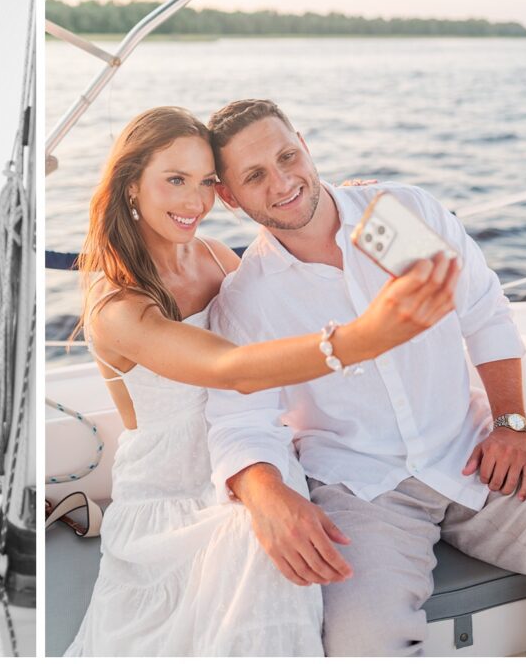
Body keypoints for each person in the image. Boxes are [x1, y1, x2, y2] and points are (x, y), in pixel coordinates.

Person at [63, 106, 459, 656]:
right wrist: (361, 338)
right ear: (132, 185)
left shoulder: (216, 256)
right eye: (174, 180)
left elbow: (286, 278)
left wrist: (337, 204)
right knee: (258, 554)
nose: (194, 202)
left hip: (252, 453)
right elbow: (230, 368)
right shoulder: (118, 307)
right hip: (174, 491)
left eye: (205, 182)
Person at [204, 98, 526, 655]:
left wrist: (511, 423)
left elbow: (481, 310)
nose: (283, 181)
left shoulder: (391, 219)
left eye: (288, 155)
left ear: (306, 146)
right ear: (228, 195)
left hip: (474, 452)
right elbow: (241, 420)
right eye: (255, 175)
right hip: (363, 492)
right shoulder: (249, 299)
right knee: (364, 643)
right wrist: (268, 498)